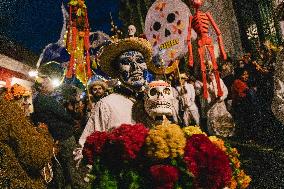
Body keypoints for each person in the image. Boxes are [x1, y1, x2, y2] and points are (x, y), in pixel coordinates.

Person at [75, 37, 153, 161]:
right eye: (126, 62)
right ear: (117, 71)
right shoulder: (106, 105)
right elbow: (83, 151)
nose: (135, 67)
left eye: (139, 60)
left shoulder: (155, 99)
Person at [31, 77, 87, 189]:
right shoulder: (47, 99)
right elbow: (62, 114)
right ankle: (77, 186)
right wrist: (73, 121)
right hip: (63, 135)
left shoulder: (37, 100)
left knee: (58, 166)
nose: (53, 86)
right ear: (43, 87)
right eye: (50, 84)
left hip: (53, 137)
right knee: (71, 164)